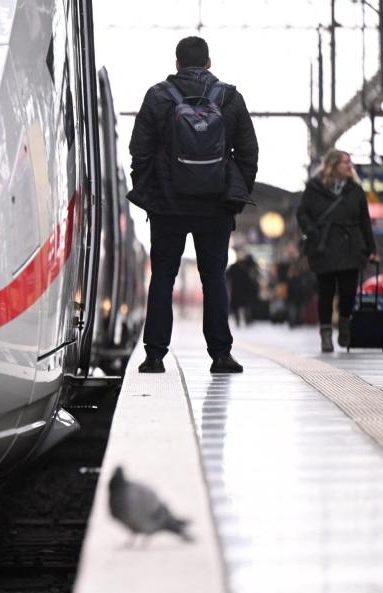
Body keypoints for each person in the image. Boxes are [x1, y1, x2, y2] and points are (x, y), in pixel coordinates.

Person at [127, 36, 259, 373]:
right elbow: (248, 151)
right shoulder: (229, 97)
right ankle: (221, 355)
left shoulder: (158, 96)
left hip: (168, 206)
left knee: (163, 277)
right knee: (214, 278)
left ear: (177, 63)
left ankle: (155, 355)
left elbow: (139, 150)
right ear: (209, 62)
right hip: (215, 205)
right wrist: (235, 190)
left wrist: (149, 190)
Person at [296, 149, 378, 352]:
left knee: (348, 291)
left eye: (350, 163)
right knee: (326, 292)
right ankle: (325, 335)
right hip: (322, 246)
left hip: (351, 246)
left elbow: (364, 221)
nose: (349, 166)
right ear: (332, 166)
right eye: (344, 163)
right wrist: (312, 231)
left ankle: (344, 325)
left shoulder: (355, 190)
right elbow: (302, 213)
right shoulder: (314, 188)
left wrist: (371, 249)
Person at [226, 253, 260, 326]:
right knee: (244, 306)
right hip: (242, 290)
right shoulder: (246, 266)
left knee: (243, 306)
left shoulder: (240, 266)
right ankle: (244, 320)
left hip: (241, 290)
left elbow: (227, 276)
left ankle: (244, 320)